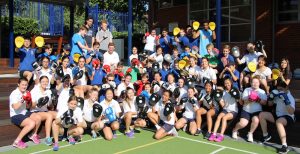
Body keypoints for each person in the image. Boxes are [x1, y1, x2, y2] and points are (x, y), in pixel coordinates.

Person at [258, 81, 295, 153]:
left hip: (288, 117)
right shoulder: (278, 94)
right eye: (278, 89)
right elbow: (270, 104)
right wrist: (271, 97)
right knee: (262, 114)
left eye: (281, 89)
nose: (279, 91)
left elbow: (291, 112)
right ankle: (266, 135)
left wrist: (286, 100)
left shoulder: (290, 97)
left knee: (279, 122)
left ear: (286, 88)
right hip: (278, 115)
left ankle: (284, 146)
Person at [232, 76, 267, 142]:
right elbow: (244, 101)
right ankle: (234, 130)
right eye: (253, 82)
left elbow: (265, 103)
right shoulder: (247, 90)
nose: (255, 84)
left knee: (256, 120)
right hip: (246, 110)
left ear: (259, 83)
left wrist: (257, 99)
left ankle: (250, 133)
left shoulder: (262, 91)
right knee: (243, 123)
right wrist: (250, 99)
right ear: (251, 83)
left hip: (257, 111)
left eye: (256, 82)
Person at [10, 78, 42, 149]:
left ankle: (33, 135)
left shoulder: (26, 92)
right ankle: (17, 142)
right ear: (18, 84)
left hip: (24, 112)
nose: (24, 86)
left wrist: (29, 100)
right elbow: (15, 107)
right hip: (15, 115)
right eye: (22, 85)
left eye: (26, 85)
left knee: (38, 117)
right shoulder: (14, 93)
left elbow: (28, 106)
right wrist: (23, 99)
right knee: (32, 123)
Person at [208, 78, 239, 142]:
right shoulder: (223, 92)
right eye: (225, 83)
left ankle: (221, 135)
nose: (227, 84)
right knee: (219, 117)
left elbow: (241, 102)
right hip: (226, 109)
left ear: (231, 83)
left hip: (233, 111)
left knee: (224, 118)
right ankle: (214, 134)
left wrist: (236, 97)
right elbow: (223, 105)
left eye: (228, 83)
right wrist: (220, 100)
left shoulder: (235, 90)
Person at [30, 76, 57, 145]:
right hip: (35, 111)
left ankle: (60, 133)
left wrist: (53, 102)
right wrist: (39, 102)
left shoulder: (48, 91)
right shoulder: (35, 90)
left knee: (59, 115)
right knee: (49, 116)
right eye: (43, 81)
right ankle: (47, 138)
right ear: (40, 82)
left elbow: (49, 106)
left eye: (46, 82)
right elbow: (31, 105)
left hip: (44, 111)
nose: (45, 83)